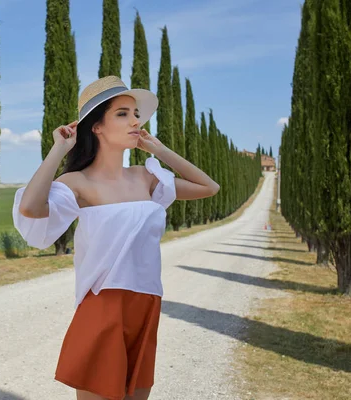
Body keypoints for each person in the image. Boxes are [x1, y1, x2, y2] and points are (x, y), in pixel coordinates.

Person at [12, 76, 220, 400]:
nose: (135, 120)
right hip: (103, 304)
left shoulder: (146, 176)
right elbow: (30, 207)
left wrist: (159, 149)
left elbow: (209, 187)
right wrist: (59, 148)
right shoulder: (79, 183)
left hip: (147, 301)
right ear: (96, 126)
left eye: (136, 113)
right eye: (122, 113)